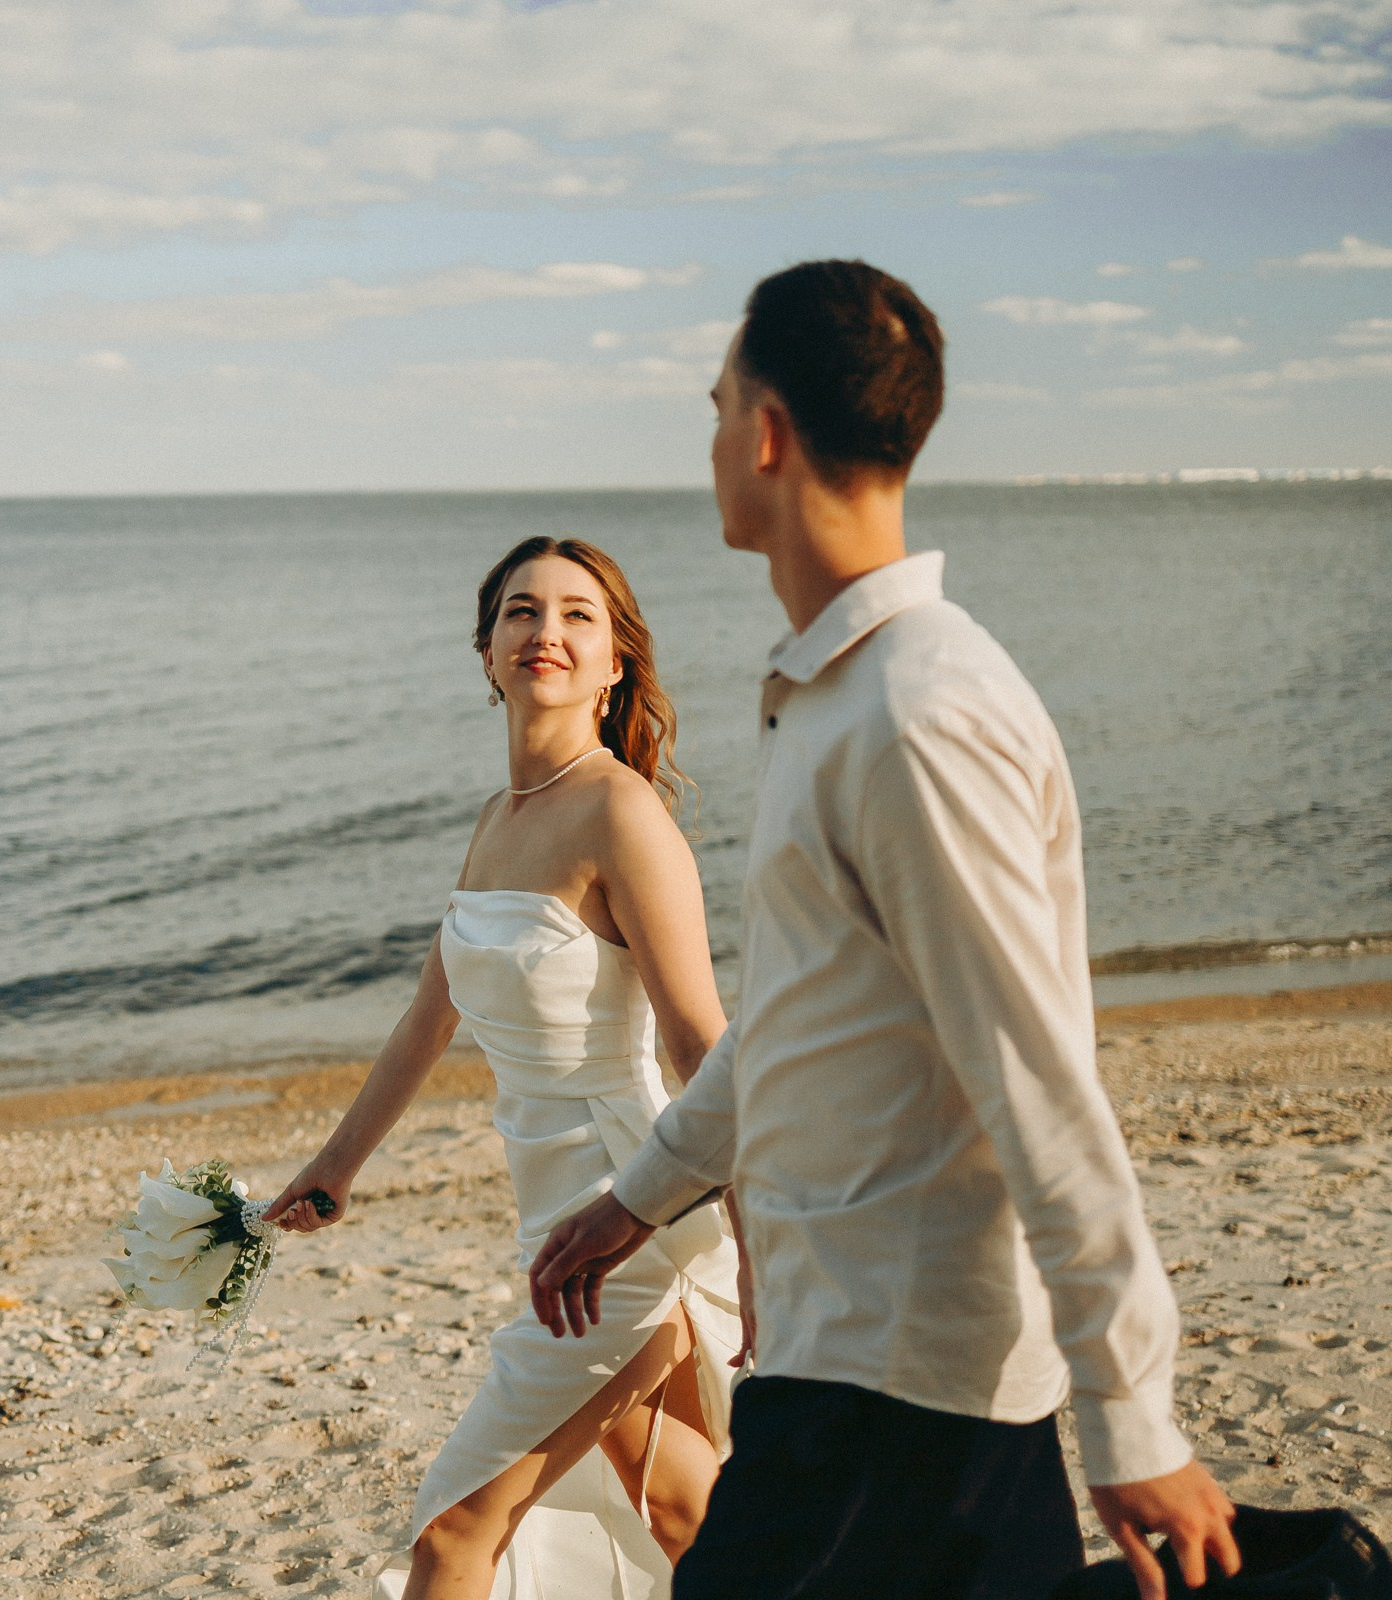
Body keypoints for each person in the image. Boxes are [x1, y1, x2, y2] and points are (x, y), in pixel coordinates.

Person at [526, 260, 1242, 1600]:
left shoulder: (916, 715)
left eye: (718, 402)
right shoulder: (836, 700)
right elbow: (801, 1019)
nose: (712, 438)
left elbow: (1036, 1078)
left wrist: (1134, 1414)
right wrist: (635, 1200)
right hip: (858, 1361)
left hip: (894, 1387)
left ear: (767, 433)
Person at [266, 536, 745, 1600]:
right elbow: (430, 1017)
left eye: (580, 615)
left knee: (453, 1533)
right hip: (547, 1217)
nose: (548, 632)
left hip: (627, 1217)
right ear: (486, 651)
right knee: (682, 1511)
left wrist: (759, 1232)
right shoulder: (498, 822)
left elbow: (700, 1043)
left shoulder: (622, 813)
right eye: (522, 612)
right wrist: (332, 1168)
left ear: (616, 659)